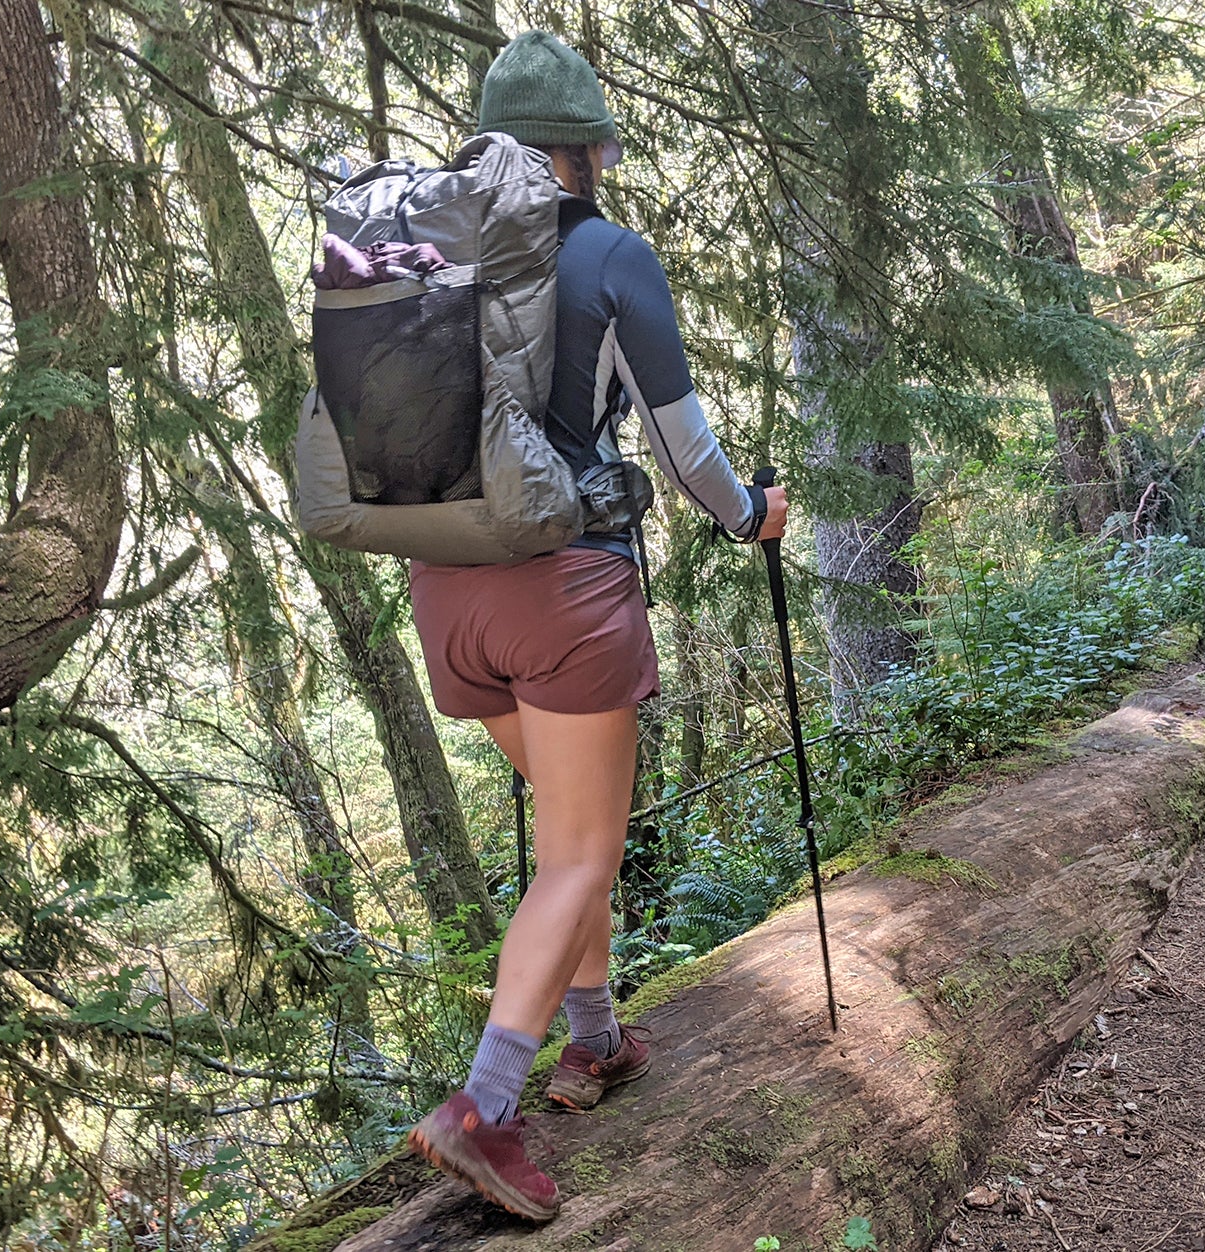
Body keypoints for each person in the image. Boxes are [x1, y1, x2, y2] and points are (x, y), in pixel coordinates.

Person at [403, 31, 789, 1223]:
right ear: (587, 149)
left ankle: (596, 1041)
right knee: (576, 853)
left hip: (442, 590)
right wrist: (752, 518)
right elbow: (682, 448)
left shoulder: (427, 256)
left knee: (581, 839)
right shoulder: (611, 255)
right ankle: (481, 1110)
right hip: (562, 589)